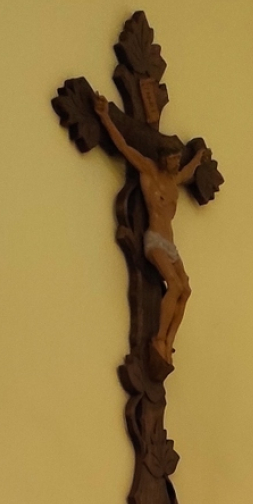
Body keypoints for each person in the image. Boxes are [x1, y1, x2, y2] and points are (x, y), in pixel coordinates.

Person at [91, 91, 206, 367]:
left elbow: (190, 171)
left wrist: (199, 157)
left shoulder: (175, 179)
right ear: (163, 158)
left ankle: (169, 342)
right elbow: (124, 147)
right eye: (173, 159)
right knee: (174, 285)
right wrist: (105, 117)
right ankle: (158, 338)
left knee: (186, 290)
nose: (176, 163)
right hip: (154, 240)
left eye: (178, 159)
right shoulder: (149, 172)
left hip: (171, 245)